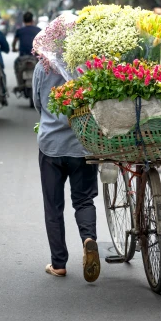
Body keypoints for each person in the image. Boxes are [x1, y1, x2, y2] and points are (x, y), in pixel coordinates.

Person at [32, 33, 100, 282]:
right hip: (82, 144)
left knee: (53, 206)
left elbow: (38, 103)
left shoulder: (42, 67)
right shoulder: (87, 66)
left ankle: (59, 263)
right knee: (83, 201)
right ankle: (89, 239)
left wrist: (51, 119)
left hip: (50, 145)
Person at [12, 12, 41, 89]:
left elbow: (14, 42)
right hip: (35, 57)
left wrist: (14, 49)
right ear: (32, 20)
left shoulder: (19, 31)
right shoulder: (38, 30)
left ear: (23, 21)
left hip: (23, 57)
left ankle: (20, 83)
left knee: (17, 66)